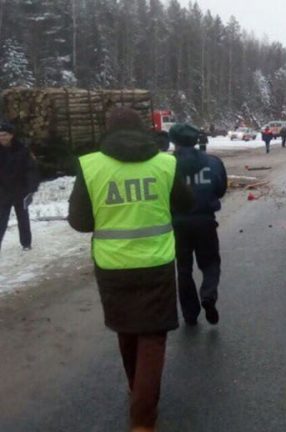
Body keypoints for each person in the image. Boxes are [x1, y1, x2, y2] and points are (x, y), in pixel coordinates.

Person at [68, 108, 194, 432]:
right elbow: (186, 204)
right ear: (143, 131)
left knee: (126, 329)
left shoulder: (91, 165)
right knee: (152, 336)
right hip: (156, 263)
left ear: (107, 131)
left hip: (113, 266)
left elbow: (81, 222)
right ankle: (142, 419)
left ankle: (135, 388)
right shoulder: (165, 163)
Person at [168, 123, 228, 326]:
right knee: (211, 263)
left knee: (183, 269)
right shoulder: (213, 162)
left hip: (177, 224)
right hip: (205, 222)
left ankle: (190, 313)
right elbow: (220, 189)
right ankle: (208, 295)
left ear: (174, 141)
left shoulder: (166, 166)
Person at [0, 121, 39, 252]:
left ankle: (26, 243)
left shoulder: (22, 150)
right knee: (1, 221)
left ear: (11, 135)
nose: (2, 137)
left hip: (20, 191)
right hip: (3, 192)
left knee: (23, 219)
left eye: (4, 134)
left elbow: (31, 169)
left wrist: (32, 188)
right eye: (0, 135)